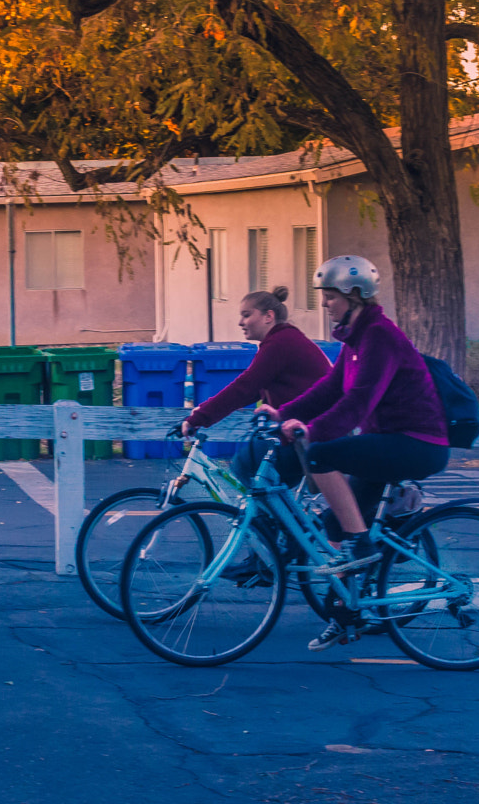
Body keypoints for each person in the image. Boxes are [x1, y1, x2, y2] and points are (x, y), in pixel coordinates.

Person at [255, 255, 450, 649]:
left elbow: (360, 401)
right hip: (392, 440)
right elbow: (331, 389)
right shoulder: (356, 338)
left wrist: (311, 431)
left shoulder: (380, 336)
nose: (325, 303)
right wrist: (285, 413)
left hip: (417, 443)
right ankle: (345, 614)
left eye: (330, 296)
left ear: (354, 295)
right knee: (334, 525)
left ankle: (362, 543)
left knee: (322, 455)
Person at [177, 286, 332, 439]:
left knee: (246, 460)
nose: (240, 322)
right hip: (303, 427)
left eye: (246, 315)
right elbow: (252, 390)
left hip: (310, 430)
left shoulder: (280, 343)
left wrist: (199, 417)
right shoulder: (283, 338)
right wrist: (203, 413)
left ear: (268, 317)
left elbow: (245, 387)